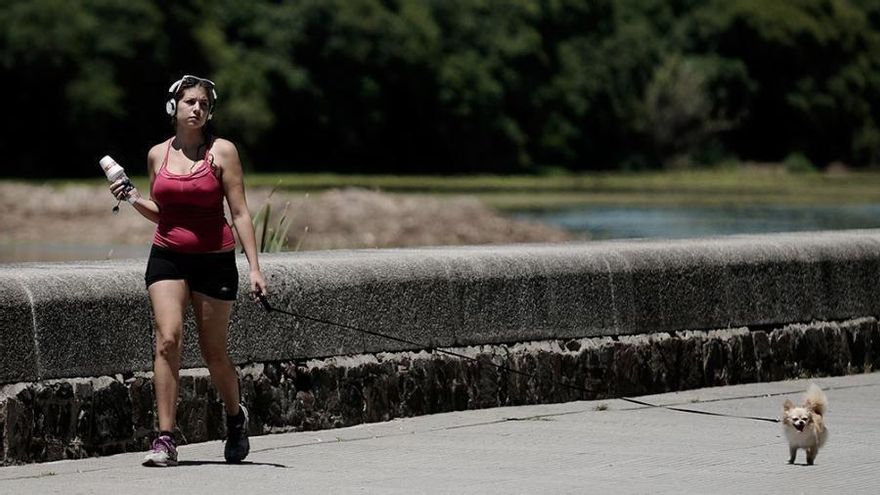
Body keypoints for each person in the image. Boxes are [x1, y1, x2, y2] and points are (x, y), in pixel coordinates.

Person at [109, 74, 268, 467]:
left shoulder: (223, 152)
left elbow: (241, 212)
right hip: (167, 255)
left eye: (203, 103)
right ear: (173, 107)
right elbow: (162, 212)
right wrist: (131, 198)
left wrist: (255, 268)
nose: (196, 109)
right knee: (167, 339)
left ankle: (235, 418)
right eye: (189, 102)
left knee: (215, 354)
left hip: (215, 258)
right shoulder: (156, 155)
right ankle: (164, 438)